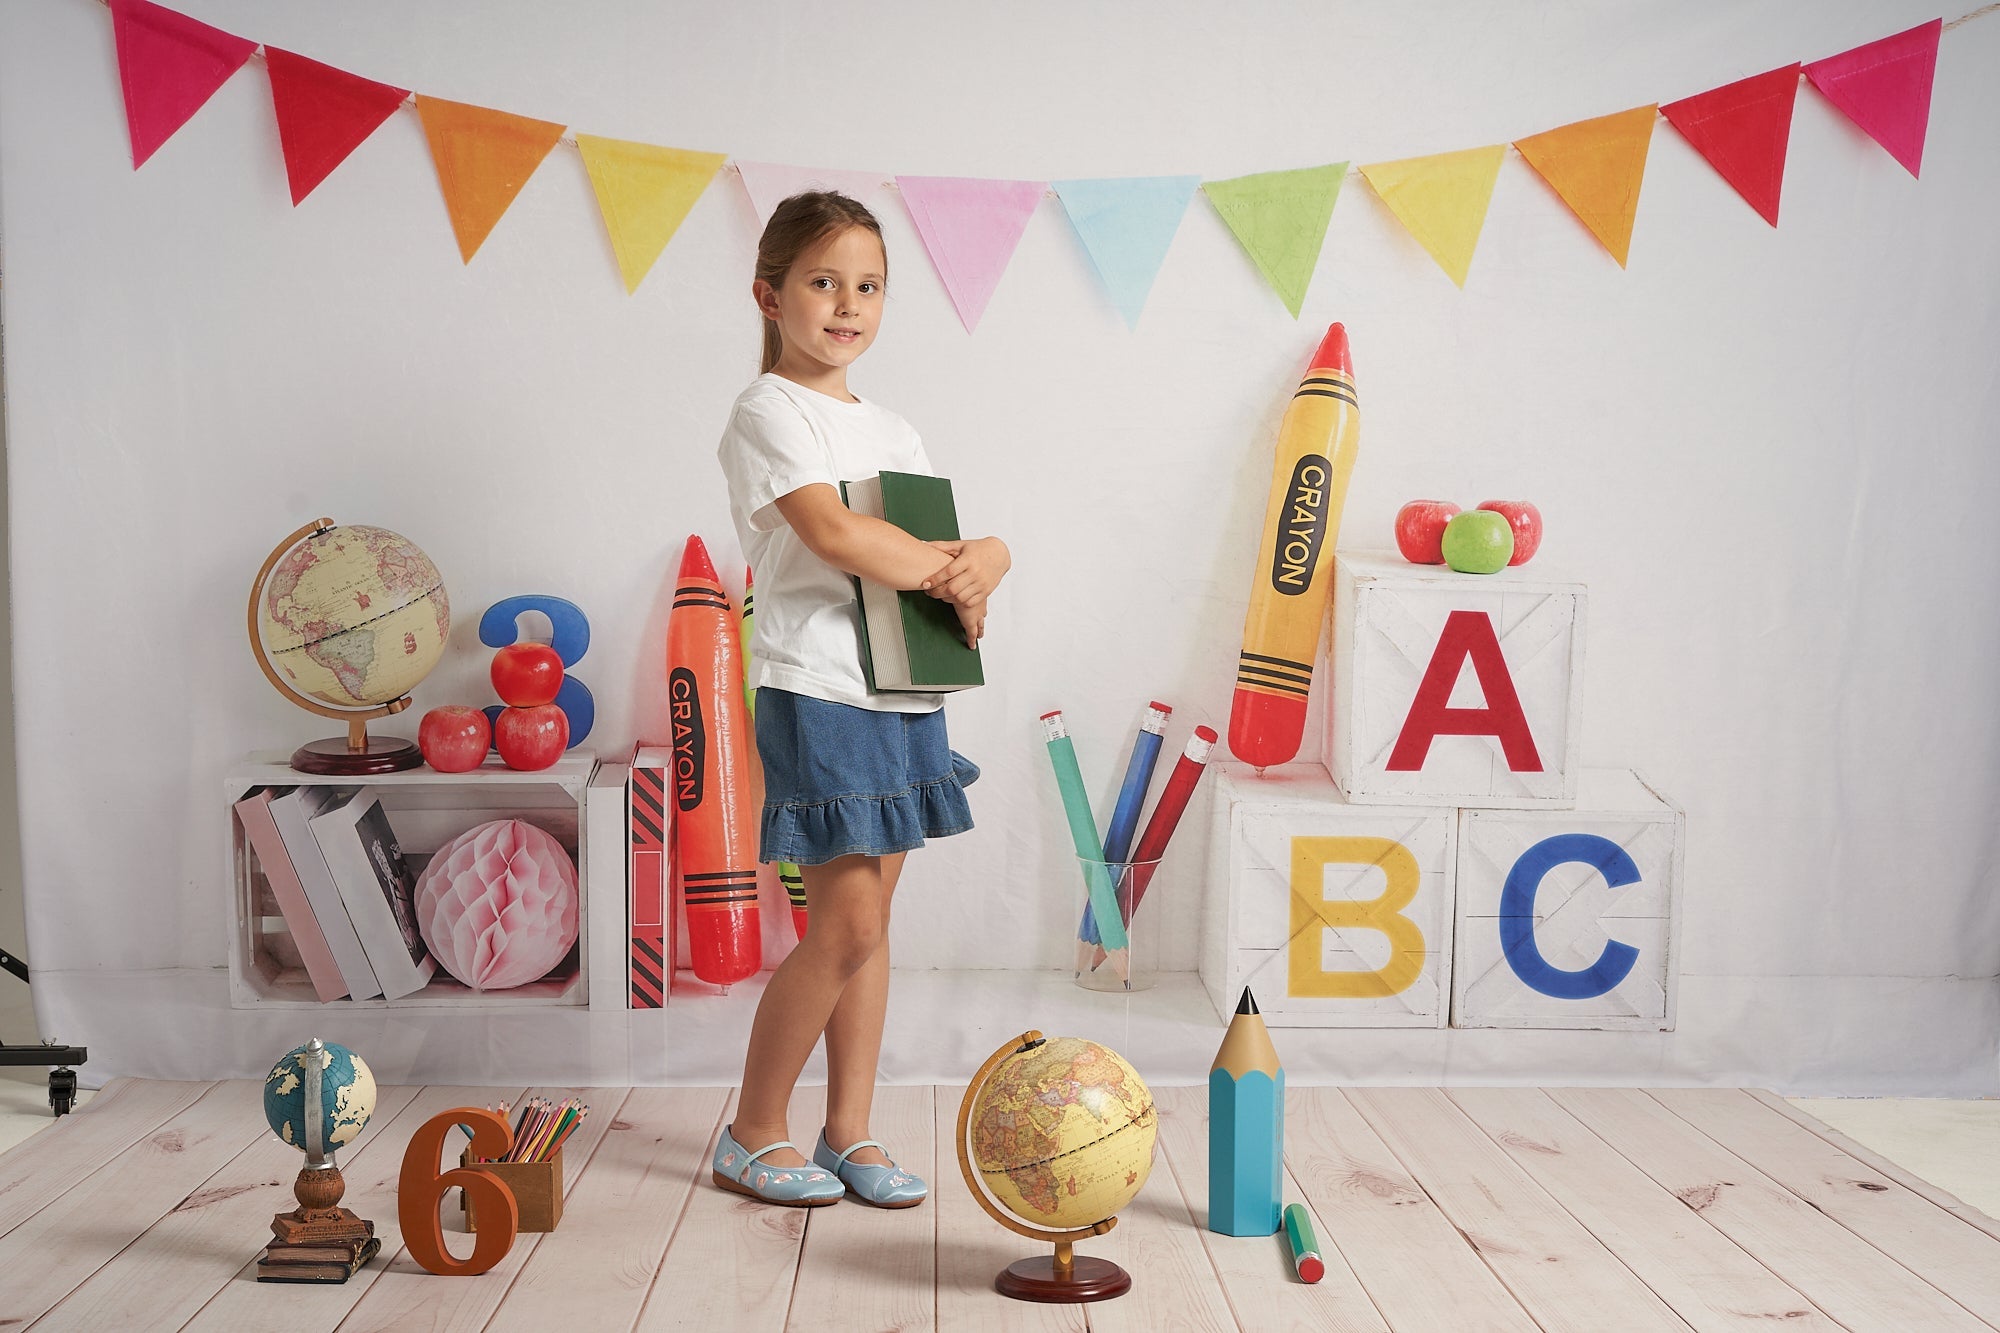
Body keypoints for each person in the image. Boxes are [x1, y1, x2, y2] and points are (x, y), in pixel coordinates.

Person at [711, 191, 1009, 1208]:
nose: (846, 304)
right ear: (770, 293)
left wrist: (991, 560)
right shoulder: (768, 410)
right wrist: (957, 568)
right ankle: (752, 1128)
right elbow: (837, 536)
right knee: (838, 925)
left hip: (903, 689)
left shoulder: (892, 425)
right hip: (819, 689)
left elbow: (944, 541)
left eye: (867, 285)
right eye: (822, 282)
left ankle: (848, 1130)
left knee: (871, 923)